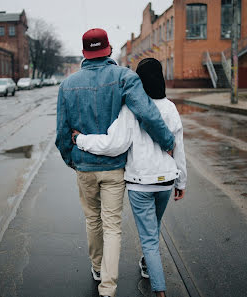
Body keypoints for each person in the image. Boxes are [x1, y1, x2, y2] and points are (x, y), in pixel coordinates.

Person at [55, 29, 175, 297]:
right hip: (113, 168)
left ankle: (97, 268)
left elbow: (62, 132)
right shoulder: (124, 78)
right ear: (108, 50)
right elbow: (147, 113)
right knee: (112, 225)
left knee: (92, 220)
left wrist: (71, 158)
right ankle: (107, 288)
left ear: (84, 53)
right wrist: (168, 141)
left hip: (84, 167)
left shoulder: (67, 85)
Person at [72, 58, 187, 297]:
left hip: (140, 184)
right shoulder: (171, 108)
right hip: (166, 181)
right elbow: (179, 148)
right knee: (153, 229)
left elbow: (114, 144)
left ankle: (160, 290)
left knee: (149, 240)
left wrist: (80, 140)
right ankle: (147, 264)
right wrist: (181, 181)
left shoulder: (131, 108)